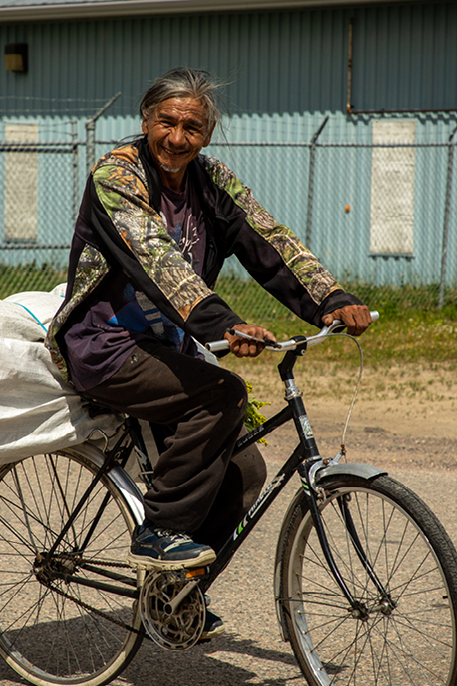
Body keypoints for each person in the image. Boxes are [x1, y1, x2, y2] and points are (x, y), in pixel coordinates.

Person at [46, 67, 371, 636]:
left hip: (169, 342)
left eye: (192, 127)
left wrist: (331, 298)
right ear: (145, 121)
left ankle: (171, 599)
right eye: (166, 122)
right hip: (105, 344)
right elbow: (157, 263)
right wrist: (224, 325)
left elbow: (270, 242)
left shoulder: (212, 180)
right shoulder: (116, 177)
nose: (177, 138)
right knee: (223, 393)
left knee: (244, 468)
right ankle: (158, 531)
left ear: (208, 136)